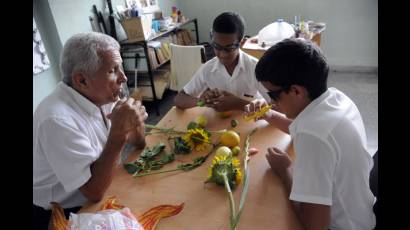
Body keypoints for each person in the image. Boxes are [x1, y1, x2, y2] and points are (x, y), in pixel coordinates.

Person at [245, 38, 376, 229]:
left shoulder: (313, 136)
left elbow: (315, 225)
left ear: (297, 91)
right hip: (361, 213)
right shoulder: (335, 98)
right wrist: (269, 115)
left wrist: (286, 170)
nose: (271, 102)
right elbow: (300, 127)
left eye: (273, 95)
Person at [33, 32, 148, 229]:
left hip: (102, 187)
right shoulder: (56, 119)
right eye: (113, 70)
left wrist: (134, 122)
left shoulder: (99, 93)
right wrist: (118, 134)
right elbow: (93, 191)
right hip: (62, 211)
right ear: (82, 80)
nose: (124, 77)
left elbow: (139, 143)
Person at [173, 11, 269, 112]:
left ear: (242, 43)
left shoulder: (256, 68)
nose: (223, 54)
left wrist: (237, 103)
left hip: (252, 122)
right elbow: (179, 99)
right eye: (217, 47)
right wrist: (201, 101)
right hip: (219, 124)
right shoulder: (208, 69)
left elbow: (278, 107)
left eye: (229, 48)